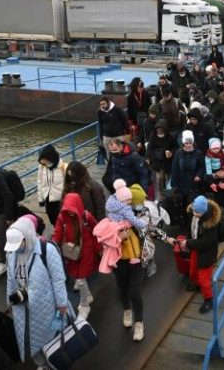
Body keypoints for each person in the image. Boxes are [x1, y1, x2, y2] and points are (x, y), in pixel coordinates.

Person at [5, 217, 72, 367]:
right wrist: (9, 301)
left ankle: (55, 363)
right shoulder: (11, 255)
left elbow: (58, 279)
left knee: (52, 337)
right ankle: (42, 364)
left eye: (18, 243)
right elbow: (10, 279)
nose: (16, 248)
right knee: (30, 340)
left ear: (27, 237)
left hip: (46, 306)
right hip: (23, 308)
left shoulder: (47, 250)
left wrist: (61, 303)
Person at [104, 181, 148, 341]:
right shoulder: (113, 219)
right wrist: (119, 237)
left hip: (137, 260)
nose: (137, 205)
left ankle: (139, 323)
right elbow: (104, 239)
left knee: (135, 292)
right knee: (122, 289)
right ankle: (127, 310)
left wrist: (167, 239)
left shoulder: (141, 217)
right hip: (119, 260)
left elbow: (150, 232)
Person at [52, 193, 100, 320]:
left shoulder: (86, 216)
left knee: (80, 278)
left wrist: (100, 249)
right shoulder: (62, 218)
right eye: (67, 210)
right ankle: (87, 296)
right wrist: (51, 246)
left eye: (72, 210)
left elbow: (96, 232)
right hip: (72, 253)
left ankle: (85, 304)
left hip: (86, 251)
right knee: (77, 276)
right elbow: (57, 233)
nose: (70, 212)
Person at [175, 196, 222, 314]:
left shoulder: (211, 224)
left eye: (197, 212)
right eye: (194, 211)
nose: (194, 213)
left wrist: (188, 243)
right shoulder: (196, 215)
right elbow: (191, 230)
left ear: (204, 211)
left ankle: (209, 298)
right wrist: (189, 241)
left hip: (207, 253)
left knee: (204, 278)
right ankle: (196, 284)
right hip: (196, 248)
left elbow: (206, 242)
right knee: (192, 271)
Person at [169, 130, 205, 211]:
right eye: (186, 143)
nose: (189, 145)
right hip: (181, 184)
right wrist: (173, 184)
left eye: (190, 142)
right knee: (182, 207)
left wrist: (199, 175)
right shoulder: (178, 153)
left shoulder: (198, 153)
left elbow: (202, 166)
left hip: (194, 185)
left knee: (192, 206)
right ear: (183, 143)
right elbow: (175, 168)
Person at [37, 144, 67, 226]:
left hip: (60, 200)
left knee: (61, 220)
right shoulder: (42, 167)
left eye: (45, 162)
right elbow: (40, 182)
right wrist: (40, 199)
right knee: (52, 220)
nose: (44, 164)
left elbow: (69, 184)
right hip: (48, 199)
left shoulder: (64, 167)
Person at [145, 118, 177, 195]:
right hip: (157, 161)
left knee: (168, 179)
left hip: (168, 162)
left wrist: (171, 153)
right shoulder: (153, 136)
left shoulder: (171, 137)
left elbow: (176, 147)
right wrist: (148, 158)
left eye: (161, 129)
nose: (159, 131)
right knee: (160, 180)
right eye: (157, 129)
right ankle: (161, 195)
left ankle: (168, 194)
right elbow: (150, 147)